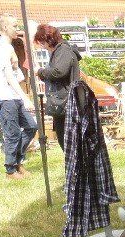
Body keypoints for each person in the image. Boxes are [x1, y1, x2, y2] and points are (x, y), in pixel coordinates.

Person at [0, 14, 38, 180]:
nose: (17, 29)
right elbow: (8, 76)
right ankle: (10, 170)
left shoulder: (9, 47)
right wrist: (25, 97)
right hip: (4, 96)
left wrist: (17, 66)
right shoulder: (1, 48)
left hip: (13, 96)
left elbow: (17, 76)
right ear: (5, 28)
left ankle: (17, 161)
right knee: (13, 133)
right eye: (15, 26)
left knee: (31, 126)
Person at [33, 23, 81, 151]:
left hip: (67, 103)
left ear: (48, 39)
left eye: (42, 42)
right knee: (64, 141)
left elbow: (59, 72)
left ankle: (76, 164)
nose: (42, 46)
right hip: (62, 104)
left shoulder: (63, 50)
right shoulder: (58, 52)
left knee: (69, 143)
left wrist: (40, 72)